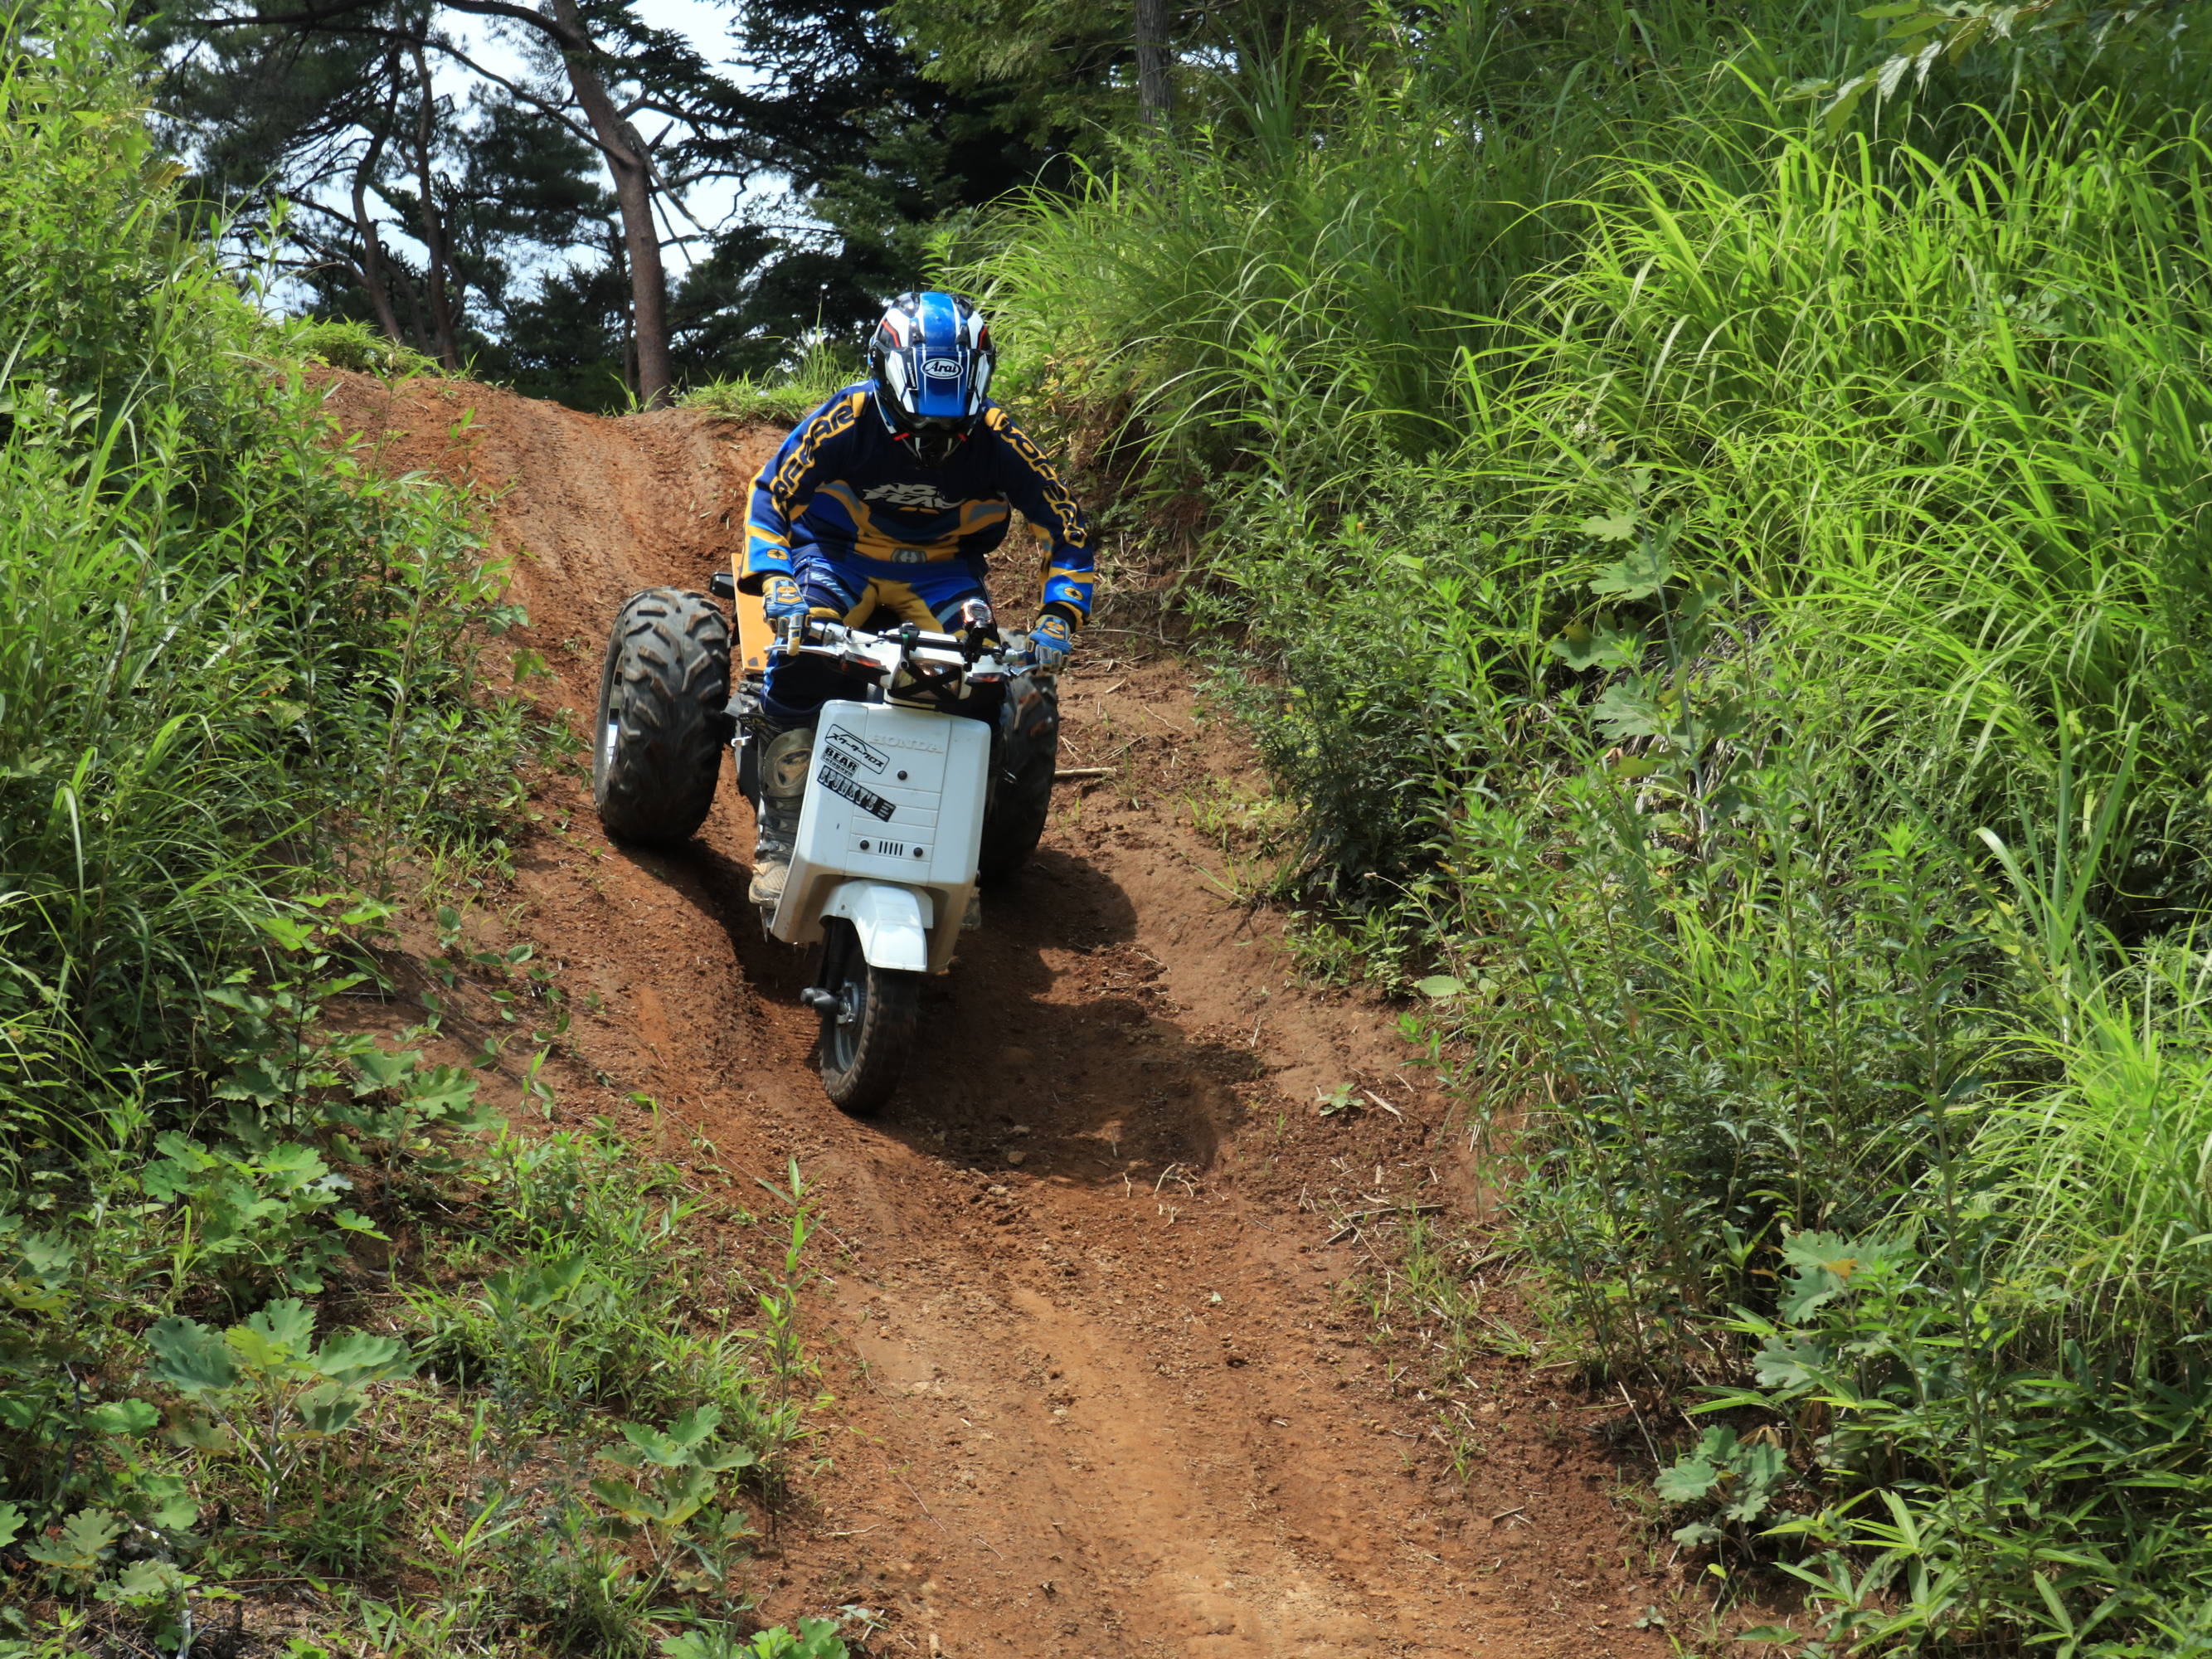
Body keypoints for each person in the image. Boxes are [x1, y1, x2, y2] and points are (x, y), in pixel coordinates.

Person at [737, 289, 1095, 905]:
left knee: (981, 683)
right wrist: (777, 581)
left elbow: (1068, 530)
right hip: (838, 556)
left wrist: (1059, 616)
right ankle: (779, 838)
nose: (935, 440)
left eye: (951, 427)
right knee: (801, 657)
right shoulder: (846, 417)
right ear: (884, 376)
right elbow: (772, 494)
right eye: (917, 425)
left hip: (942, 571)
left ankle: (956, 850)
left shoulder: (1001, 439)